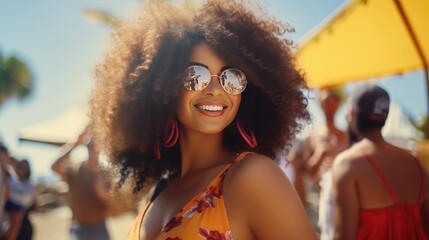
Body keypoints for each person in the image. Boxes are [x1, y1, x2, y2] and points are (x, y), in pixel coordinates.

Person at [89, 0, 317, 239]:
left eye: (232, 77)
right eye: (196, 75)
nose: (216, 89)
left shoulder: (253, 177)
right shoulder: (158, 191)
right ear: (165, 87)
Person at [332, 84, 429, 239]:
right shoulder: (416, 163)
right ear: (385, 116)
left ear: (351, 114)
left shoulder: (347, 164)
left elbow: (344, 236)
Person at [300, 87, 348, 238]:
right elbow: (308, 172)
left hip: (344, 196)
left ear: (338, 103)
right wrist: (321, 154)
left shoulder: (346, 136)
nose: (328, 104)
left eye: (332, 99)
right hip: (318, 197)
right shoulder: (313, 136)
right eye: (324, 101)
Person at [51, 127, 112, 240]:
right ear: (87, 148)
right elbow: (54, 166)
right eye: (90, 146)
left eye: (96, 146)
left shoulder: (105, 174)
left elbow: (113, 203)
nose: (93, 149)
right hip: (79, 228)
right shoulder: (75, 170)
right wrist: (75, 144)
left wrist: (102, 193)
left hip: (99, 226)